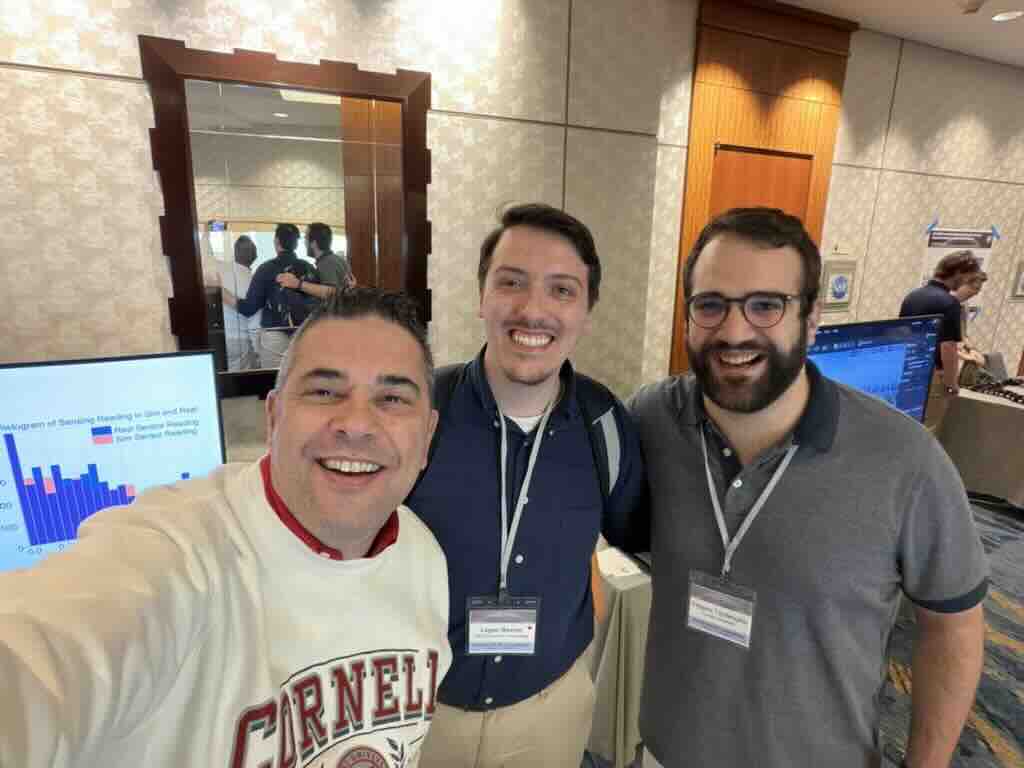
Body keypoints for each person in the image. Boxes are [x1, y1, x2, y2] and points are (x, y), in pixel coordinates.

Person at [0, 288, 452, 768]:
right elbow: (39, 659)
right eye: (324, 391)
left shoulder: (423, 553)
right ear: (273, 417)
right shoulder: (176, 552)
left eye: (392, 398)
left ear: (426, 436)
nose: (357, 423)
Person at [628, 208, 988, 768]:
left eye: (766, 305)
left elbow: (953, 629)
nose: (734, 331)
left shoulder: (906, 460)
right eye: (711, 304)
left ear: (812, 318)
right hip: (666, 753)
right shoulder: (651, 419)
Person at [407, 203, 648, 768]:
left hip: (549, 710)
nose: (533, 310)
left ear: (586, 310)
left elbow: (630, 537)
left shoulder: (606, 425)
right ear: (481, 296)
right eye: (511, 282)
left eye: (562, 290)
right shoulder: (417, 410)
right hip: (416, 711)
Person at [899, 249, 984, 431]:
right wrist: (951, 384)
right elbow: (948, 347)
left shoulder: (912, 296)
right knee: (929, 429)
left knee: (906, 425)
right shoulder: (949, 303)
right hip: (932, 376)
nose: (966, 282)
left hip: (908, 370)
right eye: (968, 277)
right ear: (959, 273)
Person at [224, 222, 317, 369]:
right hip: (305, 334)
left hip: (275, 335)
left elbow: (248, 308)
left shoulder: (266, 269)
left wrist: (222, 292)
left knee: (273, 379)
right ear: (296, 244)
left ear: (277, 241)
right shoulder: (309, 267)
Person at [277, 222, 355, 300]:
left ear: (313, 243)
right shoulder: (339, 260)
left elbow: (331, 293)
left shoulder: (326, 263)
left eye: (306, 239)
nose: (305, 243)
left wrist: (297, 284)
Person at [218, 234, 261, 371]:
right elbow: (254, 322)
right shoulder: (254, 282)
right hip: (240, 340)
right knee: (239, 380)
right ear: (255, 256)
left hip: (218, 337)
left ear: (235, 253)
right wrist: (258, 350)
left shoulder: (219, 271)